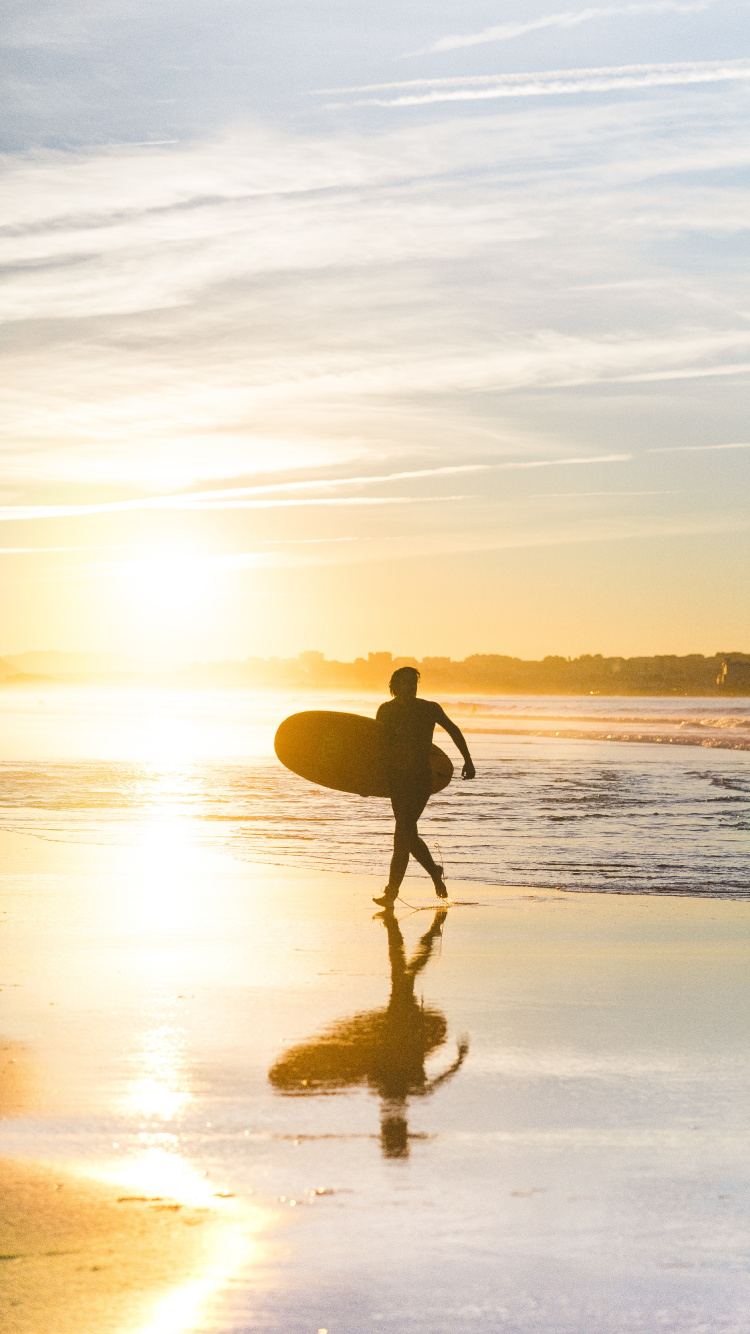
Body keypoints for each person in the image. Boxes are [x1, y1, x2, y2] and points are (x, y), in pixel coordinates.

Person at [373, 665, 475, 907]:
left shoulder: (429, 709)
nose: (411, 687)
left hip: (420, 779)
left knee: (402, 835)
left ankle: (391, 894)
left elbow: (454, 730)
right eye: (406, 683)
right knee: (409, 837)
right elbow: (378, 749)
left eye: (414, 683)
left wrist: (468, 760)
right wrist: (368, 782)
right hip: (396, 780)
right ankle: (435, 874)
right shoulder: (385, 711)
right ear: (394, 686)